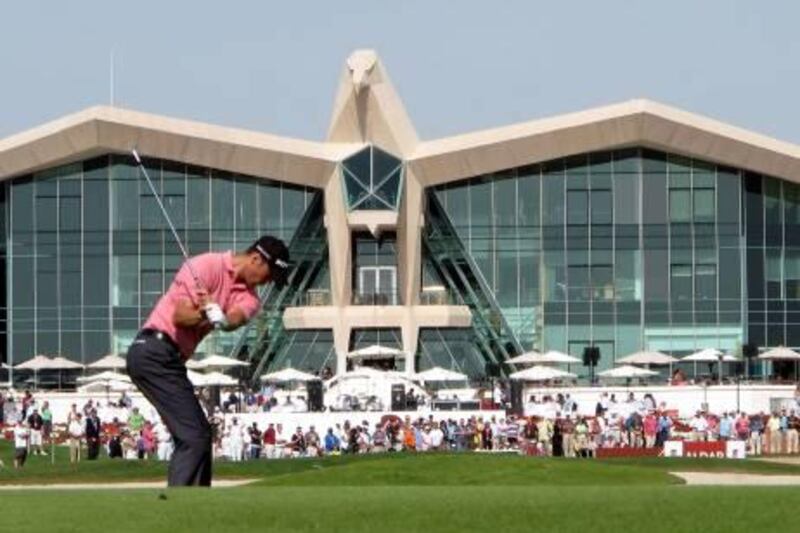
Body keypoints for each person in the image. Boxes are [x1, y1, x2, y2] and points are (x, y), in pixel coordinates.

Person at [126, 235, 289, 486]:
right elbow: (180, 316)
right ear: (256, 259)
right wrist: (204, 313)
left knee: (198, 434)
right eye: (269, 274)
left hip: (168, 358)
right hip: (152, 350)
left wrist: (221, 318)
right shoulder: (205, 266)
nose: (268, 282)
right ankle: (185, 508)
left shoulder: (252, 298)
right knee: (194, 436)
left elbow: (235, 319)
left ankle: (194, 503)